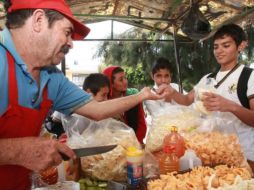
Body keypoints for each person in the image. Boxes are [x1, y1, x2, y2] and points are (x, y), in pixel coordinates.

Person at [0, 1, 167, 189]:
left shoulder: (51, 77)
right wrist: (18, 150)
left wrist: (142, 95)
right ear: (38, 21)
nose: (71, 43)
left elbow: (97, 110)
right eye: (67, 32)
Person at [164, 23, 254, 170]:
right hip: (212, 154)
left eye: (226, 45)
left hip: (244, 156)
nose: (219, 51)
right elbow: (187, 100)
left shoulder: (249, 76)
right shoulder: (207, 78)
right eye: (216, 46)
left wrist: (230, 106)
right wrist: (172, 92)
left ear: (241, 46)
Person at [103, 66, 147, 144]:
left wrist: (136, 142)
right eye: (121, 80)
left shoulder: (133, 95)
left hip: (135, 143)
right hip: (114, 146)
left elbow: (141, 123)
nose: (125, 81)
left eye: (125, 78)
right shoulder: (105, 102)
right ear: (111, 83)